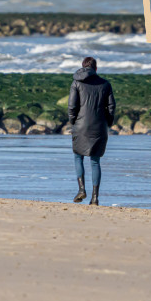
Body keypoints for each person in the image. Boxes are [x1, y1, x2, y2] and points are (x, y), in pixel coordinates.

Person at [67, 56, 115, 206]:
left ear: (82, 67)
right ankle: (95, 197)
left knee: (78, 157)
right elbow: (111, 107)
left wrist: (73, 122)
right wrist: (107, 122)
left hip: (80, 125)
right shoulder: (105, 84)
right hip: (99, 126)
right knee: (95, 161)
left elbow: (72, 106)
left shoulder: (76, 82)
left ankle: (81, 189)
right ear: (95, 69)